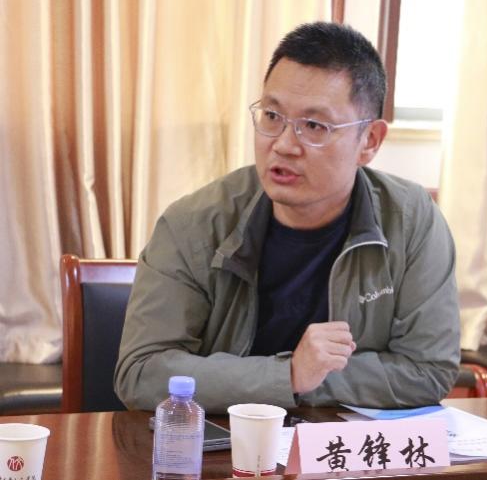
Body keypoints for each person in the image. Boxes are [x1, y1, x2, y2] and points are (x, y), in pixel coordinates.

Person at [114, 21, 460, 414]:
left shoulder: (411, 221)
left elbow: (428, 370)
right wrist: (289, 375)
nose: (283, 144)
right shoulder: (193, 224)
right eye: (272, 116)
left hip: (338, 443)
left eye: (314, 126)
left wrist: (310, 379)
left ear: (370, 141)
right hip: (224, 439)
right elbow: (141, 373)